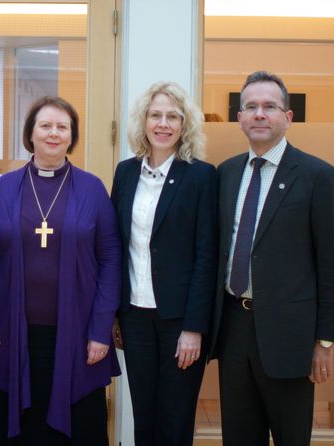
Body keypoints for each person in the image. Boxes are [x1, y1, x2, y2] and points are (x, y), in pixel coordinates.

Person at [207, 71, 334, 446]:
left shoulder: (318, 176)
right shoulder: (226, 173)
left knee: (290, 437)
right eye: (251, 107)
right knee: (238, 437)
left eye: (269, 106)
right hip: (234, 327)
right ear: (239, 118)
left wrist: (325, 342)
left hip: (291, 338)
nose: (259, 114)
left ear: (288, 117)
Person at [0, 96, 122, 445]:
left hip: (78, 333)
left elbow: (111, 260)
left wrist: (101, 329)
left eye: (62, 127)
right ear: (31, 134)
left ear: (71, 136)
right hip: (9, 332)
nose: (53, 133)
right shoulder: (6, 187)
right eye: (45, 125)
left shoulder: (92, 189)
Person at [111, 81, 217, 446]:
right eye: (155, 115)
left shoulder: (201, 176)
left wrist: (194, 328)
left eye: (173, 116)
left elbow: (207, 256)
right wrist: (114, 314)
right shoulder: (125, 173)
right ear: (143, 122)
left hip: (179, 322)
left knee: (175, 420)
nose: (163, 123)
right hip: (135, 316)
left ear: (184, 125)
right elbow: (116, 246)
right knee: (144, 415)